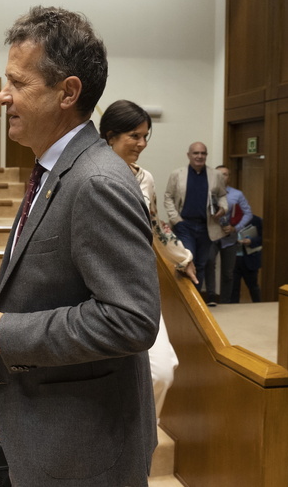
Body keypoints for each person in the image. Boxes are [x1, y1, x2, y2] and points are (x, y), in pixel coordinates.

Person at [0, 6, 161, 486]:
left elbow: (132, 319)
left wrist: (6, 333)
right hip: (56, 439)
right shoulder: (53, 169)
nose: (2, 97)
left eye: (18, 83)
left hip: (87, 453)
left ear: (68, 92)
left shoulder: (97, 180)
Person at [99, 99, 194, 420]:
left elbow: (157, 227)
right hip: (96, 288)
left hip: (139, 286)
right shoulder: (87, 174)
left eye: (145, 136)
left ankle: (142, 449)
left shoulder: (146, 179)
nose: (142, 144)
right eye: (134, 136)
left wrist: (183, 257)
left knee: (162, 372)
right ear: (110, 135)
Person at [164, 142, 228, 294]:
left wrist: (223, 208)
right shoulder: (177, 174)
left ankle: (196, 302)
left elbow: (222, 196)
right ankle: (183, 300)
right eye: (196, 153)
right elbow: (168, 197)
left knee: (200, 264)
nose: (199, 156)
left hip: (207, 227)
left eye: (203, 153)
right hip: (184, 225)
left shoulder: (216, 175)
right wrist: (176, 219)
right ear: (189, 155)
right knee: (187, 260)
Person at [205, 165, 252, 305]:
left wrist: (235, 228)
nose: (222, 176)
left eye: (225, 174)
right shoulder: (207, 192)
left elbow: (248, 213)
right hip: (211, 236)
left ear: (229, 177)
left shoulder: (237, 194)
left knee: (228, 272)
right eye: (219, 174)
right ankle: (211, 297)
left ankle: (225, 301)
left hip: (229, 238)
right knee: (209, 263)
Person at [232, 214, 263, 303]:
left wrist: (251, 241)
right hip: (233, 259)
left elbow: (264, 237)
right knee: (233, 289)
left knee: (253, 287)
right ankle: (232, 311)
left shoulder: (256, 220)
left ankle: (259, 308)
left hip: (250, 258)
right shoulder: (229, 219)